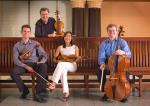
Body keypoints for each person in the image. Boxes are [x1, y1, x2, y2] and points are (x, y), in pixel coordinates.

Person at [10, 24, 48, 103]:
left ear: (30, 33)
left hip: (34, 63)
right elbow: (16, 60)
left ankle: (38, 93)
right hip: (23, 65)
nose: (26, 33)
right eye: (24, 31)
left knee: (43, 66)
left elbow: (44, 55)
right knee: (13, 72)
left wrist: (41, 61)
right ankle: (24, 90)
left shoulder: (35, 43)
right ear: (21, 32)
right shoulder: (17, 45)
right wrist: (26, 66)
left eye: (28, 31)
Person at [97, 24, 131, 102]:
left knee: (126, 73)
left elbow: (129, 54)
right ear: (107, 32)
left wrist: (122, 52)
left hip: (120, 65)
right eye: (109, 31)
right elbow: (101, 57)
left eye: (113, 31)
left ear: (116, 31)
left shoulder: (122, 42)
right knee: (99, 70)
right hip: (109, 64)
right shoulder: (104, 43)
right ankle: (106, 91)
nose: (111, 32)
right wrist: (102, 63)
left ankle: (124, 94)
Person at [48, 31, 80, 102]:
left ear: (71, 38)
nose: (67, 37)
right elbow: (54, 59)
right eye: (66, 36)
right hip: (63, 65)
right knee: (63, 71)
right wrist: (59, 60)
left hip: (72, 66)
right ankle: (66, 93)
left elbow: (76, 60)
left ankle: (53, 83)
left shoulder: (75, 47)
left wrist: (77, 59)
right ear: (64, 38)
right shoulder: (60, 47)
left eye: (69, 36)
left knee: (61, 64)